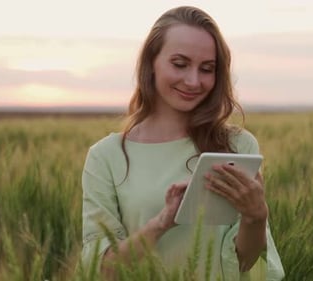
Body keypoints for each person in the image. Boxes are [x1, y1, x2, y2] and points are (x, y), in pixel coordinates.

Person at [81, 6, 285, 280]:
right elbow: (102, 270)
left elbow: (246, 264)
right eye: (179, 64)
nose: (193, 81)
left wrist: (255, 217)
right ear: (151, 63)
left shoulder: (238, 146)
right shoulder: (106, 157)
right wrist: (161, 223)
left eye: (207, 69)